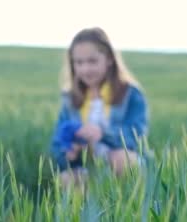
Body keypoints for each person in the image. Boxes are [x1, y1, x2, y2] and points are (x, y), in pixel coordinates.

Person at [50, 27, 149, 187]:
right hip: (88, 167)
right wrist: (70, 152)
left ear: (109, 59)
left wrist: (103, 134)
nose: (85, 69)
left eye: (92, 61)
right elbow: (57, 144)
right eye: (79, 63)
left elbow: (137, 136)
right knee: (65, 180)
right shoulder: (70, 99)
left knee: (122, 160)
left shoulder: (131, 94)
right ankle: (86, 211)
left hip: (120, 163)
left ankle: (128, 206)